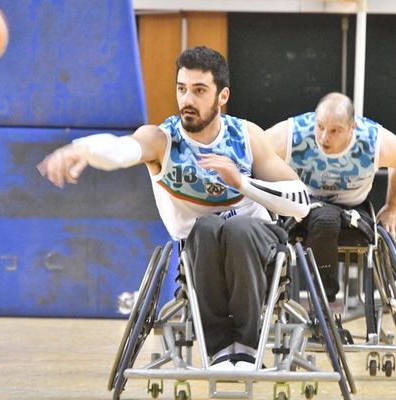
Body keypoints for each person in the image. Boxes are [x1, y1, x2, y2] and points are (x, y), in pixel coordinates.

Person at [37, 47, 310, 371]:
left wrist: (242, 183)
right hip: (199, 249)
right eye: (181, 89)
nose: (187, 100)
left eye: (199, 90)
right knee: (206, 226)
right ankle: (221, 349)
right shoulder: (162, 140)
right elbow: (121, 150)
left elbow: (301, 204)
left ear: (222, 96)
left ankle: (248, 347)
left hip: (257, 245)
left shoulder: (247, 136)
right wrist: (81, 148)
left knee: (238, 228)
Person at [266, 92, 396, 301]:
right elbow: (255, 156)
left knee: (328, 218)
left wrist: (393, 206)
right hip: (302, 204)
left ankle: (323, 300)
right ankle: (314, 298)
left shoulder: (372, 141)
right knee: (325, 218)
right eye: (320, 126)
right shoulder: (292, 133)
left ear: (352, 128)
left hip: (352, 207)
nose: (324, 137)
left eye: (335, 131)